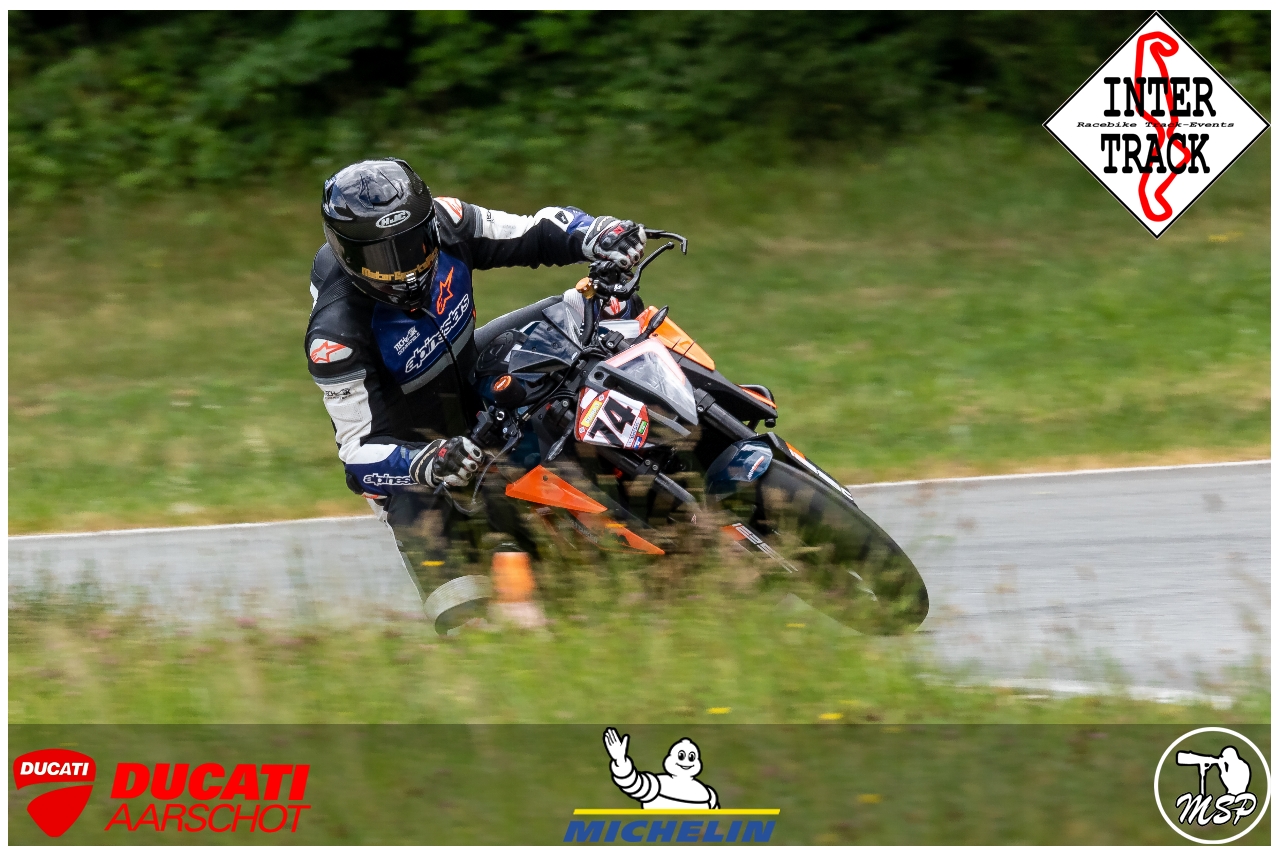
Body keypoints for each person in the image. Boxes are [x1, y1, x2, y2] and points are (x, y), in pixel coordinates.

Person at [306, 158, 646, 633]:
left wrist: (596, 233)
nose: (405, 268)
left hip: (472, 381)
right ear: (347, 253)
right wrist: (423, 462)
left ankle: (661, 438)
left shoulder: (449, 220)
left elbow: (533, 231)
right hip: (421, 460)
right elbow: (356, 456)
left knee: (580, 312)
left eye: (413, 244)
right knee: (471, 625)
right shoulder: (334, 338)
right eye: (384, 258)